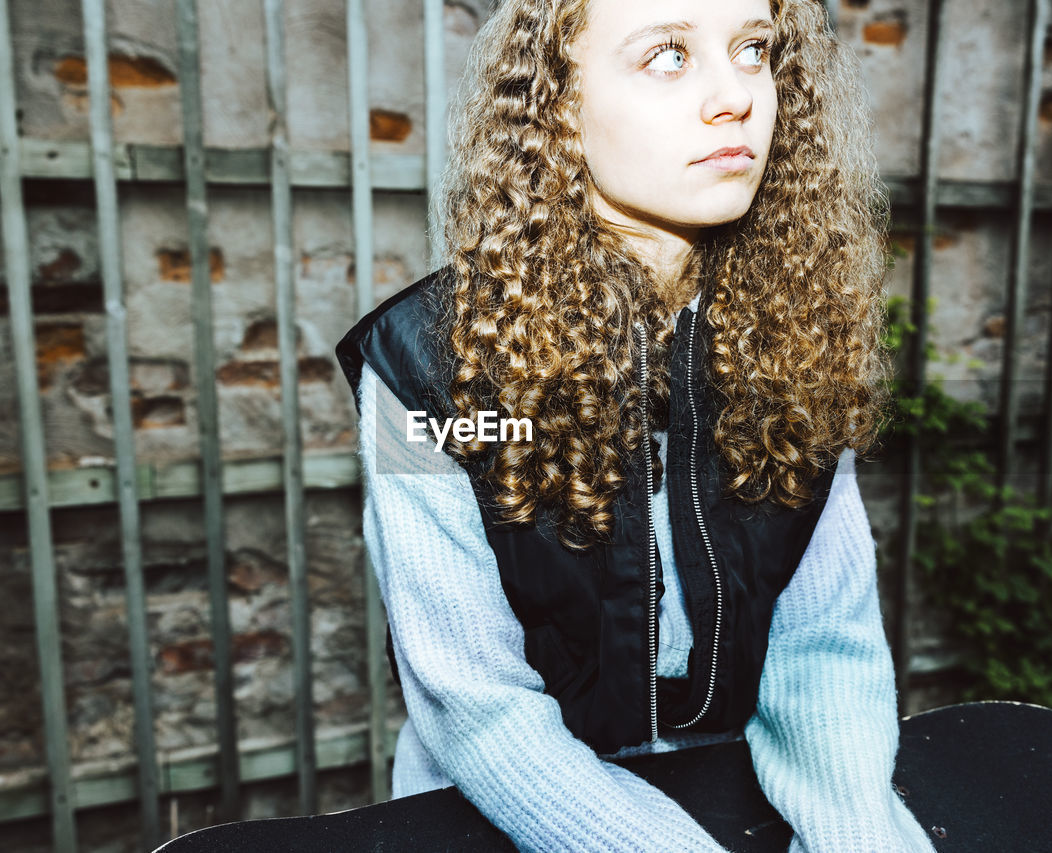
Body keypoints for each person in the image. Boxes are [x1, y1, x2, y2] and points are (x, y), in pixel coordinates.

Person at [336, 0, 936, 850]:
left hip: (731, 790)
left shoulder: (797, 332)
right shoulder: (418, 371)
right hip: (497, 815)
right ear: (558, 102)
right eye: (668, 56)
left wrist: (858, 838)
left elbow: (823, 650)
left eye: (753, 49)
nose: (736, 97)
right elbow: (473, 703)